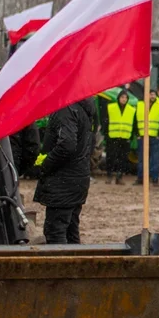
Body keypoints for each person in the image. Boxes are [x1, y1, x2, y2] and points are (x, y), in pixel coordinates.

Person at [36, 97, 96, 244]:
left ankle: (61, 265)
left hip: (63, 181)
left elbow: (67, 145)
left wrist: (46, 164)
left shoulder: (65, 109)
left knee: (55, 232)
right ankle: (78, 265)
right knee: (70, 230)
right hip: (77, 178)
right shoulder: (81, 107)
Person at [135, 89, 159, 186]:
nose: (152, 96)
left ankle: (154, 179)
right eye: (150, 94)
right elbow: (135, 120)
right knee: (141, 159)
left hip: (154, 137)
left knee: (155, 159)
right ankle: (140, 178)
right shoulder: (140, 105)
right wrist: (137, 135)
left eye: (154, 94)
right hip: (142, 136)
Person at [104, 90, 133, 184]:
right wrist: (106, 134)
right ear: (118, 98)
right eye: (122, 97)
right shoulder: (111, 107)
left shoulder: (131, 109)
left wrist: (131, 137)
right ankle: (109, 176)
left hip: (125, 138)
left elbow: (134, 124)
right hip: (112, 137)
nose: (124, 99)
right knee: (111, 157)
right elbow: (105, 121)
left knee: (123, 158)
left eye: (125, 98)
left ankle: (119, 177)